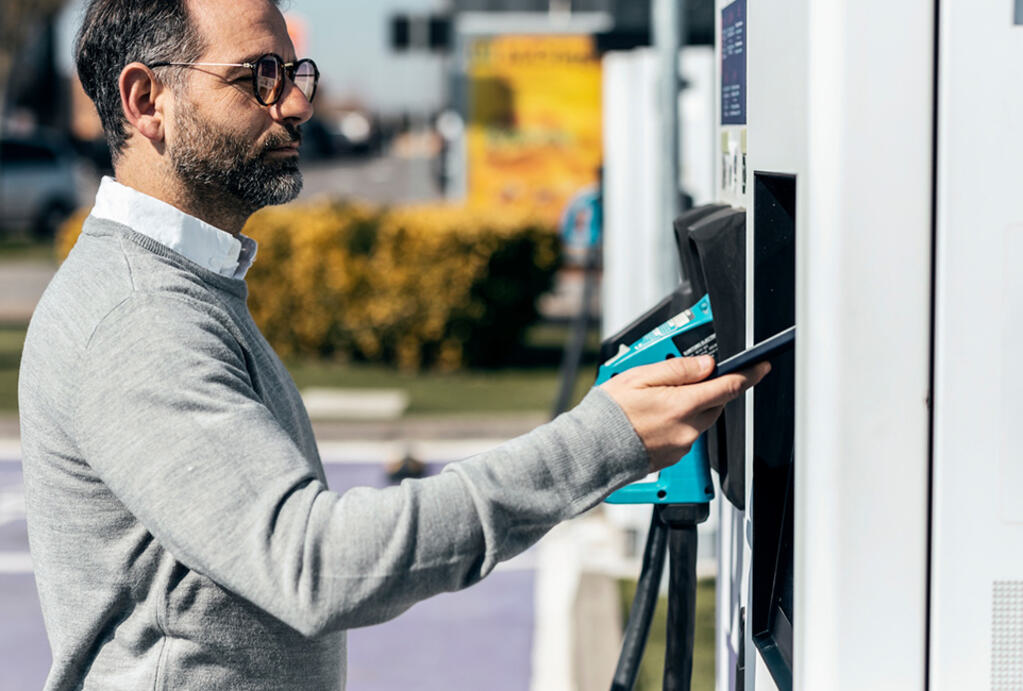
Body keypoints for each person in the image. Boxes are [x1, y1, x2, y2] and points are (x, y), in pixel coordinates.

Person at [17, 1, 769, 689]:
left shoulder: (184, 284)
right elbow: (314, 563)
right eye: (260, 77)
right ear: (146, 100)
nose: (298, 102)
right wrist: (601, 441)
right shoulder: (137, 315)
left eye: (295, 72)